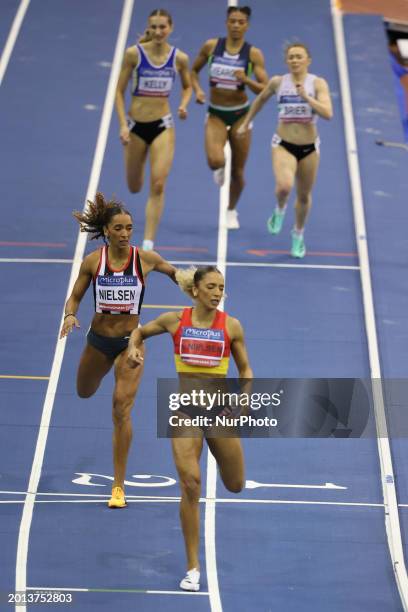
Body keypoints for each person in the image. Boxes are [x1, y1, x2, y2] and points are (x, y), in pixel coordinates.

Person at [127, 266, 253, 591]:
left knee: (236, 484)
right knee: (191, 484)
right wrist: (133, 348)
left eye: (221, 287)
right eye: (211, 286)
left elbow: (246, 371)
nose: (217, 292)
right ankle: (193, 567)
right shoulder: (175, 320)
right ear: (196, 290)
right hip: (186, 413)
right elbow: (139, 332)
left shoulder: (232, 326)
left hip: (220, 414)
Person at [60, 192, 177, 509]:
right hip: (99, 340)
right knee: (84, 391)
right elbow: (74, 298)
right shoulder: (93, 262)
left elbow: (173, 272)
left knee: (120, 410)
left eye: (129, 228)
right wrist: (71, 315)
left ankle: (118, 487)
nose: (126, 233)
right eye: (120, 228)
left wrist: (191, 281)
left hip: (131, 344)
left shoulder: (145, 260)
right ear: (107, 231)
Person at [238, 42, 333, 257]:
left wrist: (307, 98)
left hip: (309, 147)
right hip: (283, 144)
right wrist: (246, 123)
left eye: (299, 56)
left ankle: (298, 234)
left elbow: (328, 113)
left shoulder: (317, 84)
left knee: (304, 195)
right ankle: (279, 210)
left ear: (308, 60)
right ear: (286, 61)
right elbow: (260, 100)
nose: (295, 60)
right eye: (291, 57)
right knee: (284, 187)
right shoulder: (278, 82)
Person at [115, 9, 192, 250]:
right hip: (136, 127)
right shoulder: (133, 55)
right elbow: (118, 91)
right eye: (154, 27)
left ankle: (148, 243)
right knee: (134, 186)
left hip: (163, 125)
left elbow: (188, 86)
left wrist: (183, 104)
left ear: (170, 28)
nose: (158, 32)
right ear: (149, 28)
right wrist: (122, 125)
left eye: (163, 27)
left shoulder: (179, 58)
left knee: (158, 184)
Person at [191, 5, 268, 229]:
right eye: (232, 21)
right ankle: (219, 167)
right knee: (215, 160)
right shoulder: (211, 46)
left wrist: (246, 80)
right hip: (216, 113)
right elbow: (192, 71)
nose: (236, 25)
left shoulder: (253, 54)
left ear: (247, 26)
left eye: (240, 22)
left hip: (241, 116)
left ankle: (231, 210)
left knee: (238, 172)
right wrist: (197, 90)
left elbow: (264, 89)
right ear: (226, 23)